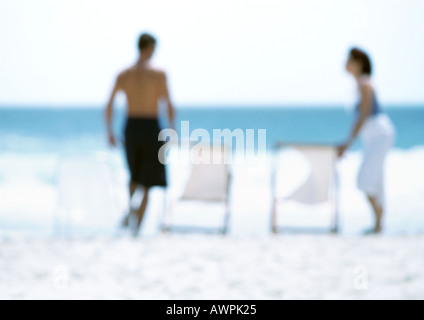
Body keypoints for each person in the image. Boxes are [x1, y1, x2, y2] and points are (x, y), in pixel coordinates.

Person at [106, 33, 175, 236]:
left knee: (134, 175)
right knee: (148, 180)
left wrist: (109, 130)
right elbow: (168, 104)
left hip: (131, 126)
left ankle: (132, 214)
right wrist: (172, 128)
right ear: (149, 48)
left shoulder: (125, 74)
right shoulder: (158, 74)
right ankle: (136, 224)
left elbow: (109, 104)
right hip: (151, 125)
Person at [338, 48, 395, 234]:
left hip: (379, 134)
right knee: (375, 180)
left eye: (349, 60)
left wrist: (347, 144)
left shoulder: (365, 84)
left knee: (365, 179)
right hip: (375, 136)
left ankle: (379, 222)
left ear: (358, 63)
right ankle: (379, 224)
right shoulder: (360, 85)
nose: (345, 63)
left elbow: (363, 115)